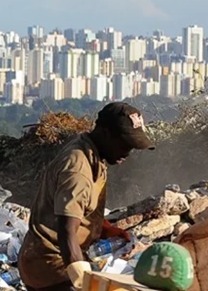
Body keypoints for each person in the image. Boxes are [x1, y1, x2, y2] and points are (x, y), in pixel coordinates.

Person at [18, 102, 155, 291]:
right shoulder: (78, 170)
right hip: (51, 266)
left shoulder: (92, 154)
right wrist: (83, 282)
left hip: (54, 259)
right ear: (105, 133)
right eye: (125, 144)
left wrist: (106, 230)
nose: (128, 152)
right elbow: (67, 231)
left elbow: (81, 210)